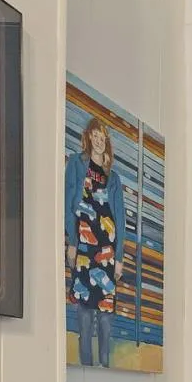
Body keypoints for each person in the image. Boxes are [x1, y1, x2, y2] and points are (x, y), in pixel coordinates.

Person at [65, 117, 126, 366]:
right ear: (89, 137)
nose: (99, 140)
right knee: (84, 313)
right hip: (84, 247)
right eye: (95, 135)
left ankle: (105, 366)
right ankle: (86, 367)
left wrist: (119, 257)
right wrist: (72, 241)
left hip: (107, 250)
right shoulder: (76, 164)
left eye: (103, 137)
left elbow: (120, 219)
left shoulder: (114, 178)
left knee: (105, 317)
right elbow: (68, 203)